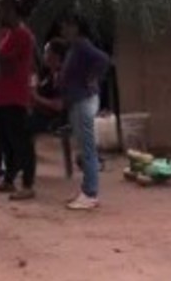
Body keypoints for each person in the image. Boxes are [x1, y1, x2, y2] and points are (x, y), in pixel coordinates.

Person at [59, 14, 111, 211]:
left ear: (76, 27)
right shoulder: (75, 47)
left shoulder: (82, 45)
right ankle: (86, 189)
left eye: (67, 26)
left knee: (88, 149)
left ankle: (90, 193)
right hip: (78, 101)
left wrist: (92, 78)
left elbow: (103, 59)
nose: (63, 30)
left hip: (83, 101)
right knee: (84, 148)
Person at [0, 0, 38, 200]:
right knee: (5, 141)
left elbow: (8, 64)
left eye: (1, 11)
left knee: (22, 142)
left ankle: (28, 184)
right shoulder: (8, 34)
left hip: (16, 97)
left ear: (13, 12)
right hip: (3, 97)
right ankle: (9, 179)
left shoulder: (22, 35)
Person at [29, 39, 68, 136]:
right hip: (39, 115)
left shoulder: (61, 75)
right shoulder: (49, 75)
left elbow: (59, 105)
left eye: (46, 52)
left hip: (51, 120)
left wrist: (36, 97)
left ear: (56, 56)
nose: (44, 55)